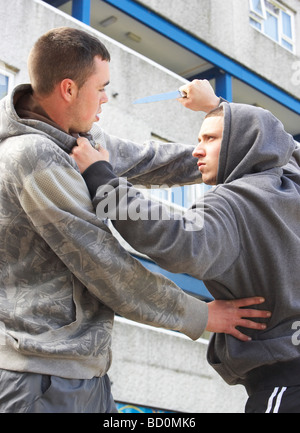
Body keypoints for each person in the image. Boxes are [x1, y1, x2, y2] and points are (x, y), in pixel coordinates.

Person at [0, 26, 270, 413]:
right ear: (68, 90)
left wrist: (233, 143)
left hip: (82, 373)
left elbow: (152, 159)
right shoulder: (31, 157)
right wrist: (200, 314)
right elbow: (104, 264)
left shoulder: (77, 140)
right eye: (101, 88)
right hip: (41, 376)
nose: (106, 99)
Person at [71, 80, 300, 413]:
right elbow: (281, 143)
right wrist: (217, 105)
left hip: (284, 385)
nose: (196, 150)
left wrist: (99, 176)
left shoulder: (232, 205)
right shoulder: (291, 180)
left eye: (209, 139)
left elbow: (174, 239)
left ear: (243, 142)